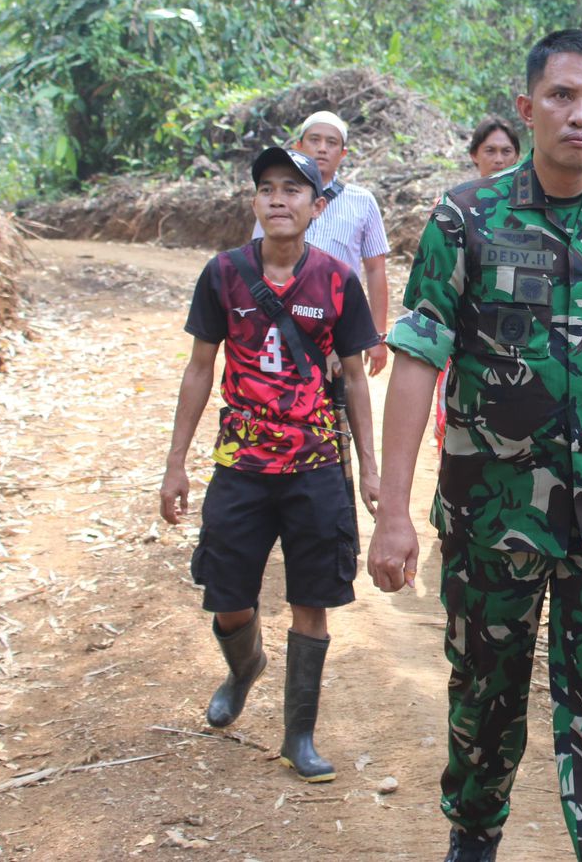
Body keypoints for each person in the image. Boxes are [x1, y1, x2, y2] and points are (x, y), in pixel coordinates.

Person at [366, 29, 582, 862]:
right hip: (495, 513)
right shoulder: (468, 216)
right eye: (561, 96)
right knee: (485, 688)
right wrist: (394, 512)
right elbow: (417, 357)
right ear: (527, 109)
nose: (579, 115)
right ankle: (474, 833)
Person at [160, 145, 381, 783]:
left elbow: (357, 381)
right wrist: (176, 464)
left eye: (293, 189)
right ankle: (244, 665)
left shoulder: (339, 279)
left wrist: (368, 467)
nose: (278, 198)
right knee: (227, 597)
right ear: (255, 203)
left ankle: (298, 735)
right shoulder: (224, 273)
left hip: (315, 467)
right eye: (267, 188)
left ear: (318, 205)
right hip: (241, 464)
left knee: (314, 598)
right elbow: (200, 368)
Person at [252, 111, 391, 376]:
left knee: (339, 403)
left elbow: (375, 269)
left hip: (337, 325)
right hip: (279, 322)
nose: (322, 148)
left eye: (331, 142)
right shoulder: (276, 200)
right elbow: (256, 258)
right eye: (315, 140)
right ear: (299, 146)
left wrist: (377, 335)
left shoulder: (362, 201)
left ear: (343, 154)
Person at [419, 117, 526, 452]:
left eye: (506, 151)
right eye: (490, 150)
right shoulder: (454, 208)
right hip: (465, 333)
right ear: (474, 156)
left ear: (517, 156)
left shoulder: (528, 210)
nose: (498, 158)